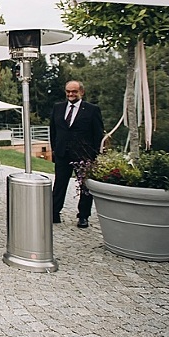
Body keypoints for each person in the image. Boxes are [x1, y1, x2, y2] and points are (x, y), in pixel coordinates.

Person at [50, 80, 104, 228]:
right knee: (59, 184)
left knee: (85, 187)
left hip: (83, 154)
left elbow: (98, 134)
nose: (70, 94)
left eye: (74, 91)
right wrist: (55, 149)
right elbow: (53, 131)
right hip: (62, 153)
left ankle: (83, 216)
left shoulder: (92, 110)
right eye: (68, 91)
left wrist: (94, 155)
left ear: (81, 92)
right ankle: (54, 212)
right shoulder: (58, 108)